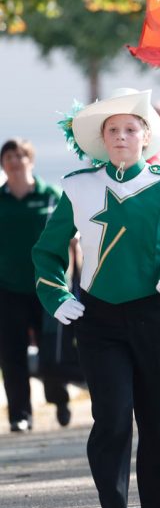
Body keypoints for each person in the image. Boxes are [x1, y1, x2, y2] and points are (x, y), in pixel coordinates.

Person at [32, 87, 160, 508]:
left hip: (156, 315)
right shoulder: (78, 186)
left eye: (130, 129)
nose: (120, 136)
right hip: (99, 319)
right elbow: (47, 252)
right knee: (111, 422)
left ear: (146, 136)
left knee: (156, 424)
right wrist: (56, 295)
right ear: (102, 137)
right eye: (112, 129)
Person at [0, 138, 71, 431]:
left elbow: (71, 234)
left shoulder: (51, 195)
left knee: (50, 354)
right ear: (3, 164)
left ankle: (59, 398)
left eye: (20, 156)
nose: (15, 162)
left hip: (48, 287)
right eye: (8, 157)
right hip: (8, 288)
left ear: (31, 159)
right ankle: (20, 415)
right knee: (11, 354)